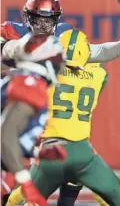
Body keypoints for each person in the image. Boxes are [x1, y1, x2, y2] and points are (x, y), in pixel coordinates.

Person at [1, 0, 120, 206]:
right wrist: (25, 47)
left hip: (44, 128)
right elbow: (6, 50)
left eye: (48, 21)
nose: (44, 27)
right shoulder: (14, 33)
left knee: (30, 190)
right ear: (27, 18)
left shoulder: (62, 39)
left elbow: (98, 52)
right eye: (38, 20)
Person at [1, 33, 67, 206]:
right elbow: (6, 137)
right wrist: (27, 185)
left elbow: (11, 139)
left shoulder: (19, 79)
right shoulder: (31, 86)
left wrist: (38, 153)